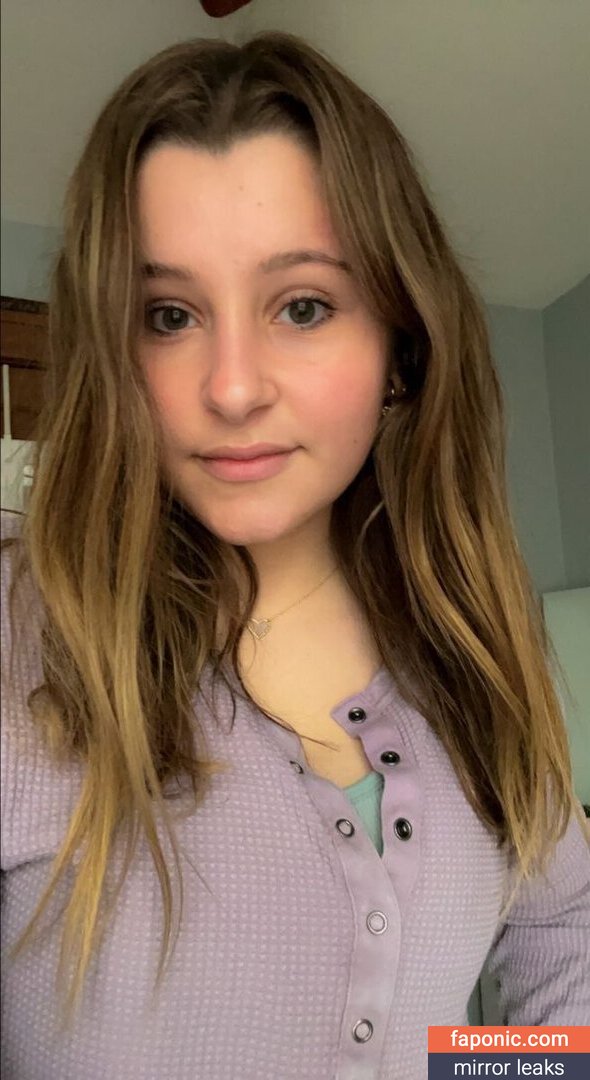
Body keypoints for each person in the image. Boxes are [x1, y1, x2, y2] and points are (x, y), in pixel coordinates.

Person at [1, 31, 588, 1080]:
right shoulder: (20, 634)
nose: (232, 388)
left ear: (401, 349)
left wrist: (484, 1068)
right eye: (168, 315)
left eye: (303, 306)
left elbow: (564, 935)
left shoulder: (471, 656)